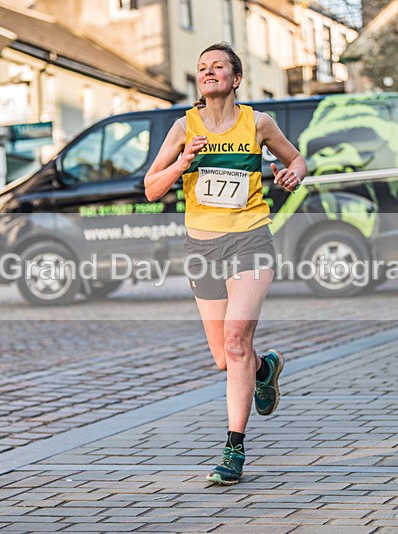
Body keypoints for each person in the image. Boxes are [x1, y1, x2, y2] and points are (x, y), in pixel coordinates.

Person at [144, 42, 307, 485]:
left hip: (250, 238)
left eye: (218, 66)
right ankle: (265, 368)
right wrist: (182, 162)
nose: (208, 72)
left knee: (237, 339)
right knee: (225, 356)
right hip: (201, 249)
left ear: (235, 79)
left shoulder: (259, 123)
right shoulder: (184, 126)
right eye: (202, 67)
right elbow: (151, 189)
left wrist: (293, 174)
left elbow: (296, 159)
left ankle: (233, 448)